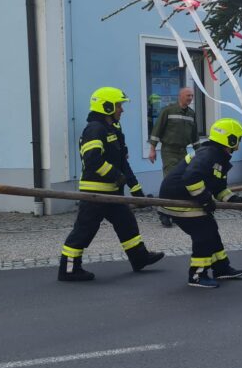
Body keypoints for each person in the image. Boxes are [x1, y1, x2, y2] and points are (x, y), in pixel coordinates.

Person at [58, 87, 164, 282]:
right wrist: (117, 176)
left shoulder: (114, 129)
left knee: (127, 223)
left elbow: (123, 163)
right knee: (84, 230)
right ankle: (69, 269)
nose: (121, 110)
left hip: (113, 193)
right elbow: (92, 160)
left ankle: (139, 258)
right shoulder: (94, 129)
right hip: (94, 193)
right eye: (118, 106)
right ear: (106, 106)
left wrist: (137, 191)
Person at [159, 118, 242, 288]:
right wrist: (204, 198)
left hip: (187, 197)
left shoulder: (220, 158)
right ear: (230, 139)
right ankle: (197, 275)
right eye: (238, 139)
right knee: (203, 234)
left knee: (211, 229)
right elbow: (191, 177)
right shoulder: (209, 154)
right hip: (176, 199)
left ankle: (221, 268)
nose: (238, 143)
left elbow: (219, 190)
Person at [148, 88, 199, 226]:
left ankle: (176, 210)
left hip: (183, 151)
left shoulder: (191, 114)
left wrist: (200, 153)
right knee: (170, 180)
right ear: (180, 96)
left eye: (192, 96)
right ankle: (163, 212)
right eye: (188, 95)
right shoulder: (168, 111)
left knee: (181, 180)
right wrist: (152, 149)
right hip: (169, 151)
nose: (190, 98)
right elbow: (157, 130)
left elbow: (194, 136)